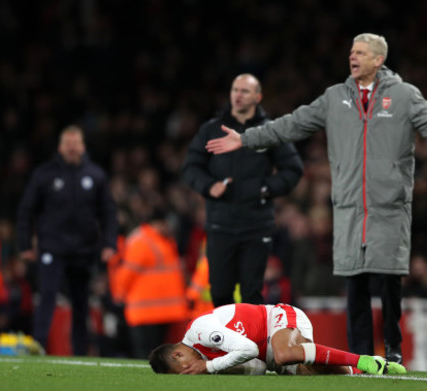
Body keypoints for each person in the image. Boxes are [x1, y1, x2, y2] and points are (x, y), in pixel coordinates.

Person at [206, 33, 427, 363]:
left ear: (379, 60)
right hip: (351, 207)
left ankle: (392, 350)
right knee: (356, 283)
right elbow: (291, 124)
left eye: (361, 53)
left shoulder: (405, 96)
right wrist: (247, 139)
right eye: (352, 52)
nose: (353, 57)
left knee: (390, 279)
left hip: (389, 206)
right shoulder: (335, 97)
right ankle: (361, 355)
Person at [182, 74, 303, 307]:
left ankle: (251, 344)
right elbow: (190, 166)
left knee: (252, 294)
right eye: (235, 90)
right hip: (220, 224)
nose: (238, 95)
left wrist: (263, 189)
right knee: (219, 293)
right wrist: (208, 186)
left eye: (245, 91)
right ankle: (226, 344)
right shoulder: (212, 129)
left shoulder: (269, 131)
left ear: (258, 97)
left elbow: (293, 170)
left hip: (256, 225)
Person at [16, 125, 117, 355]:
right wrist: (24, 244)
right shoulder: (45, 174)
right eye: (67, 144)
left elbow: (108, 212)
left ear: (83, 146)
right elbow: (26, 210)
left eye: (76, 144)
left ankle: (80, 350)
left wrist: (109, 243)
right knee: (47, 296)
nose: (72, 149)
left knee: (81, 302)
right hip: (52, 247)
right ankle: (38, 345)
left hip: (83, 250)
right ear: (60, 147)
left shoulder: (95, 175)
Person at [148, 302, 406, 375]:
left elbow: (248, 347)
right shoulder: (204, 356)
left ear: (178, 354)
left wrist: (209, 367)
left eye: (186, 369)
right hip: (268, 352)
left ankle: (362, 360)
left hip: (278, 319)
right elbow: (258, 367)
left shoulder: (199, 331)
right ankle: (367, 369)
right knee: (312, 374)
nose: (193, 371)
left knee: (285, 353)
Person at [113, 209, 189, 359]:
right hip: (145, 311)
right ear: (158, 223)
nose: (169, 227)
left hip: (162, 310)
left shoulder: (164, 240)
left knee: (159, 355)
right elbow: (127, 273)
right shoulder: (142, 241)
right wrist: (119, 294)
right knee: (146, 353)